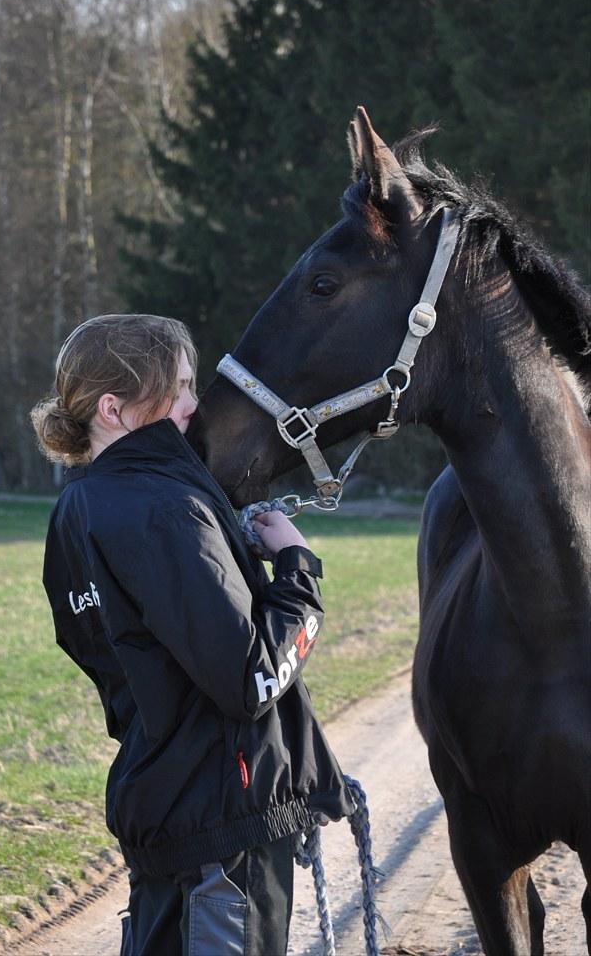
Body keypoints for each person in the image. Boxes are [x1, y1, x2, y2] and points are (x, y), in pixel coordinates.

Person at [31, 313, 353, 956]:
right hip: (223, 825)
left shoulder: (77, 508)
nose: (193, 405)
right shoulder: (165, 509)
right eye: (177, 387)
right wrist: (297, 571)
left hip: (163, 806)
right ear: (113, 409)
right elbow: (253, 678)